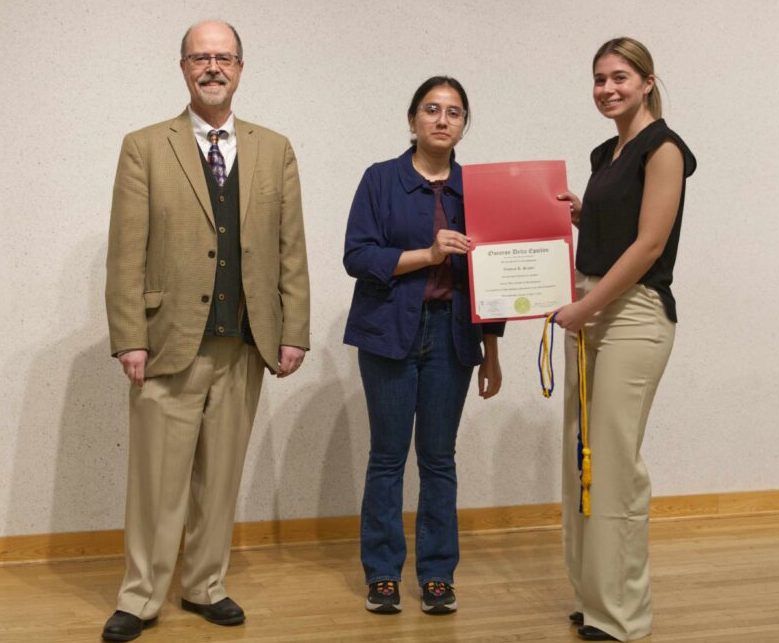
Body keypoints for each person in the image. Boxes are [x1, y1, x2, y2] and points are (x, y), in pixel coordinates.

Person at [102, 20, 310, 641]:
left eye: (224, 57)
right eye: (201, 57)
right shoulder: (144, 146)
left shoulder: (275, 148)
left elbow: (290, 248)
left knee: (220, 480)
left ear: (241, 68)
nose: (213, 67)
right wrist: (129, 335)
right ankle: (140, 597)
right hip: (168, 339)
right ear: (184, 67)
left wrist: (292, 328)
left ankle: (205, 584)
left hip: (245, 340)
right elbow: (125, 252)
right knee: (156, 482)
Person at [343, 76, 504, 616]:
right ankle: (383, 574)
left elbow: (494, 278)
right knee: (387, 458)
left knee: (439, 459)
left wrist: (492, 353)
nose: (442, 119)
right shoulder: (380, 179)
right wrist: (426, 255)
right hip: (389, 334)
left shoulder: (477, 189)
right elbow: (357, 256)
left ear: (463, 125)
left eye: (454, 112)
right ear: (412, 120)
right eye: (431, 110)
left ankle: (437, 575)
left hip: (453, 336)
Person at [554, 38, 696, 641]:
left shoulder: (664, 148)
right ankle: (594, 597)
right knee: (579, 458)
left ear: (646, 81)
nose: (607, 88)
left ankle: (622, 616)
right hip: (592, 311)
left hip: (630, 315)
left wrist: (585, 305)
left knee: (613, 465)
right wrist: (583, 214)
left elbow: (650, 245)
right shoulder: (606, 151)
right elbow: (621, 226)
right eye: (598, 79)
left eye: (619, 77)